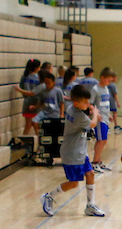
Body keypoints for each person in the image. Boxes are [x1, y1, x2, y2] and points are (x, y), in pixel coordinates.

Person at [41, 84, 106, 217]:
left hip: (80, 151)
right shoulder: (77, 115)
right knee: (73, 183)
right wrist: (95, 114)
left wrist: (91, 112)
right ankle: (48, 196)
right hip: (72, 154)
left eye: (89, 102)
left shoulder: (72, 108)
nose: (88, 104)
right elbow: (92, 124)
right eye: (85, 102)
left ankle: (90, 206)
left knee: (90, 174)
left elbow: (87, 116)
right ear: (76, 103)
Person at [89, 68, 116, 172]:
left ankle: (99, 161)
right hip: (99, 119)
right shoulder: (95, 89)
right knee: (101, 140)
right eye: (108, 80)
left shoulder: (106, 89)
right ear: (102, 78)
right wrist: (96, 113)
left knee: (103, 140)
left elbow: (104, 104)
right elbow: (90, 104)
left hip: (105, 118)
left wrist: (108, 114)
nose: (109, 83)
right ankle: (95, 163)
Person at [14, 59, 42, 138]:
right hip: (37, 102)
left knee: (28, 124)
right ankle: (39, 141)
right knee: (37, 124)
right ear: (36, 68)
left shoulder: (24, 77)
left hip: (27, 102)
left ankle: (24, 140)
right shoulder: (39, 78)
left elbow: (22, 89)